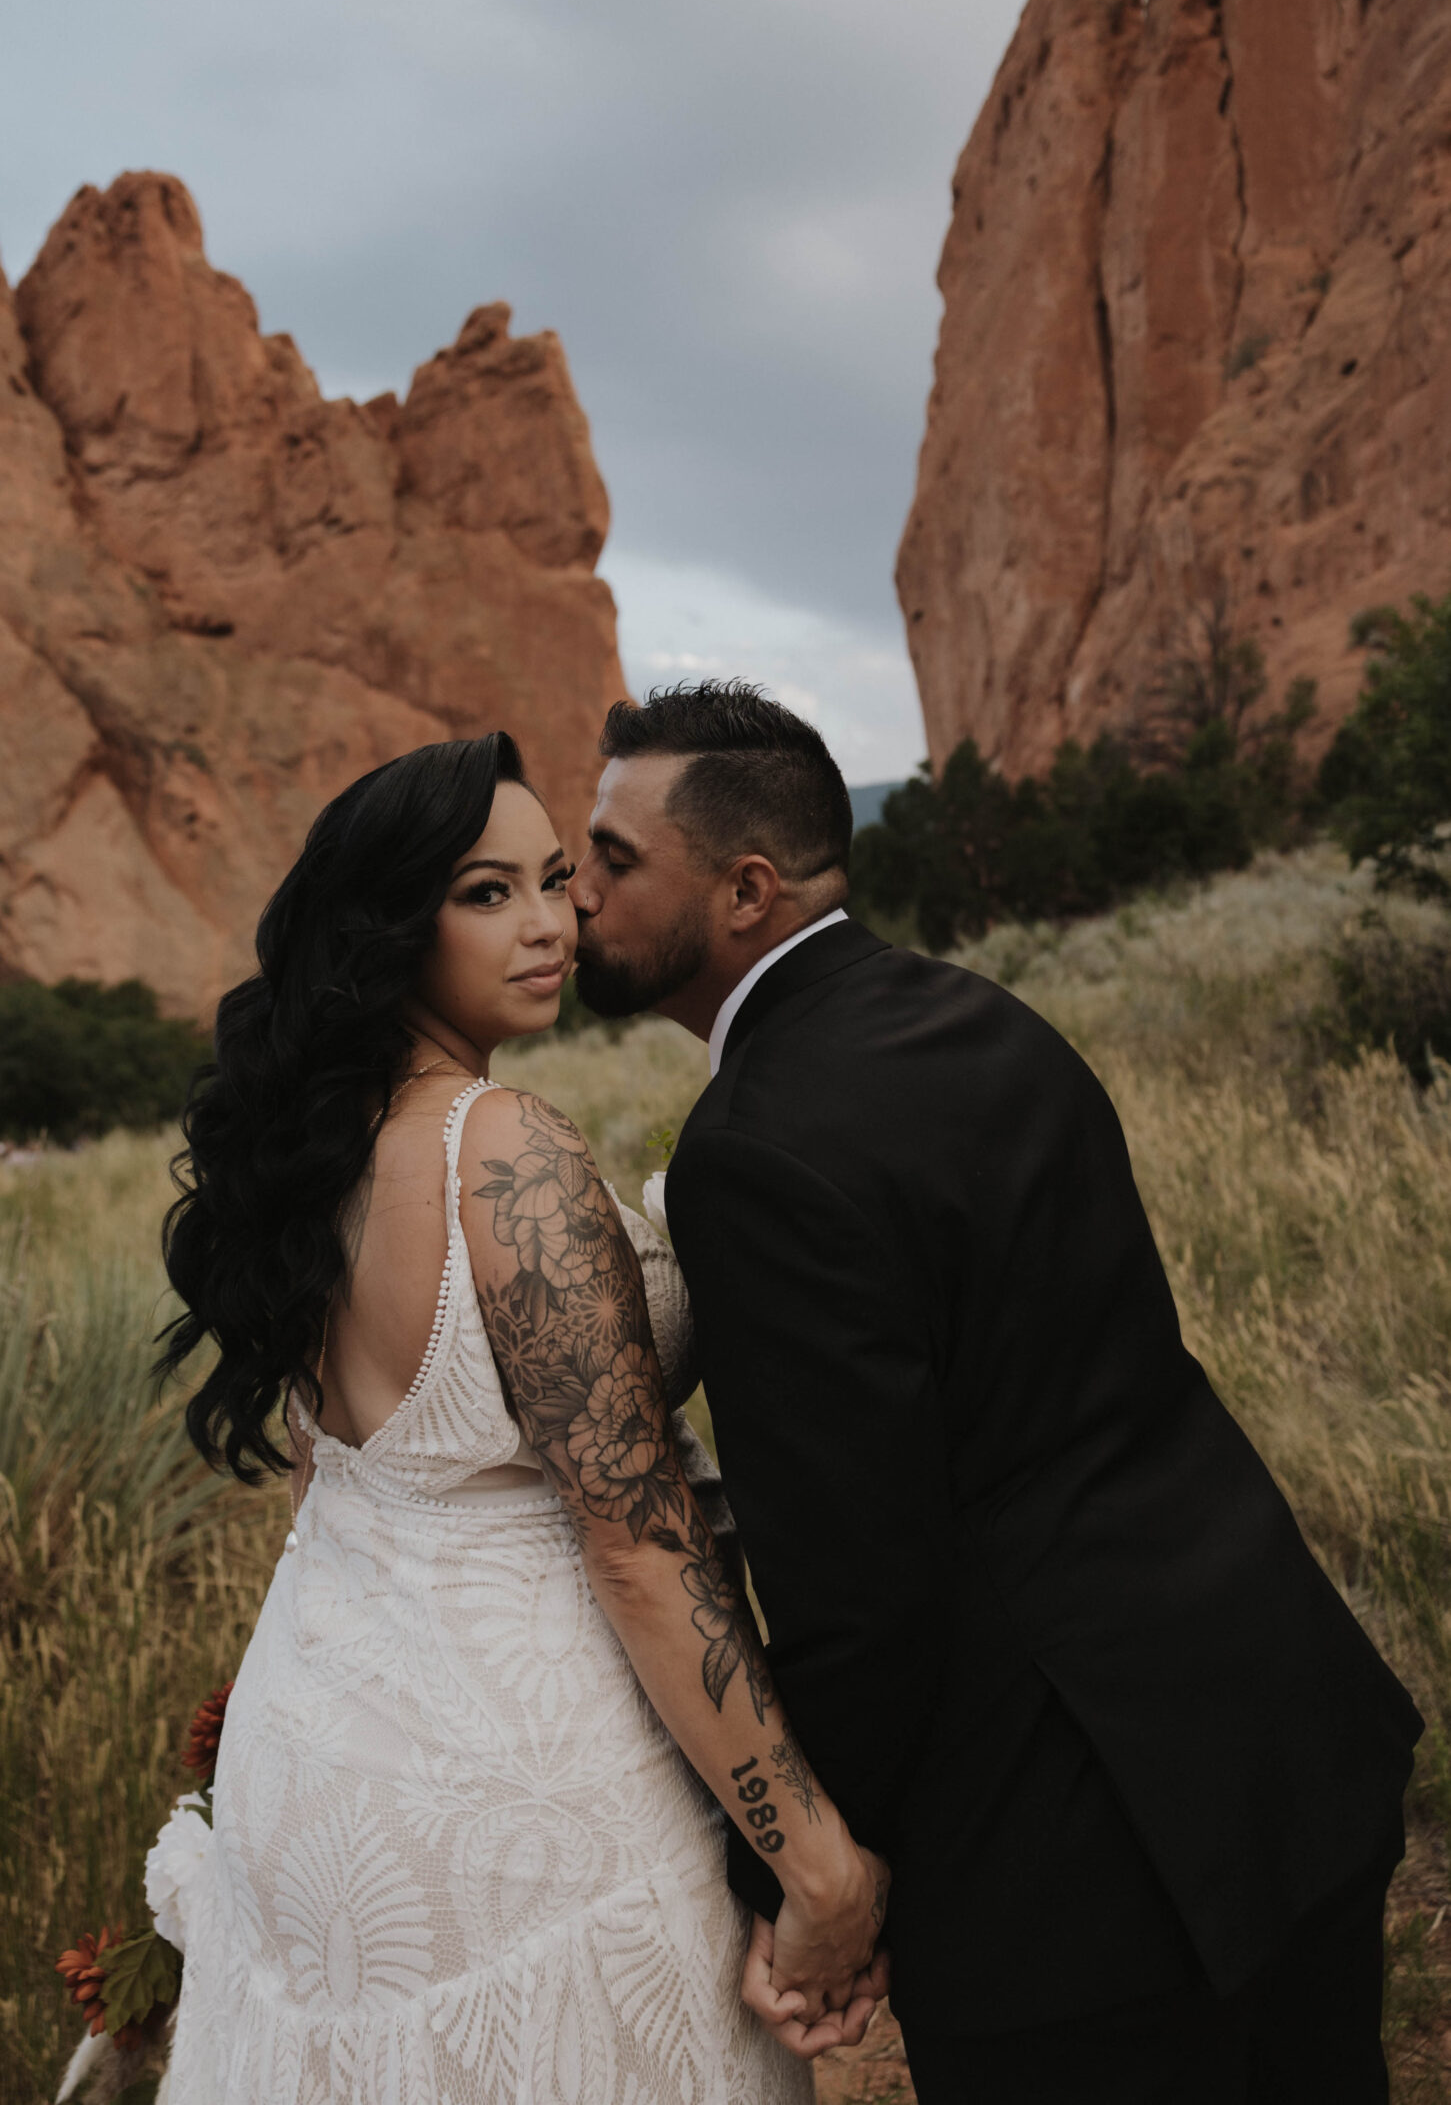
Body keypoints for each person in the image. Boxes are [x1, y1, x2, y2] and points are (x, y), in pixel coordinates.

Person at [568, 679, 1423, 2105]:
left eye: (612, 860)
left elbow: (859, 1585)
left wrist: (819, 1877)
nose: (578, 894)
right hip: (1282, 1726)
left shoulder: (755, 1149)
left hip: (1087, 1861)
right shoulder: (983, 1013)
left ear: (745, 891)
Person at [152, 730, 885, 2105]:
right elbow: (634, 1537)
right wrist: (815, 1862)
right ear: (388, 928)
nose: (550, 923)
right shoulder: (502, 1147)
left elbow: (334, 1474)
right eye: (487, 893)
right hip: (524, 1789)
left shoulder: (309, 1156)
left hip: (321, 1741)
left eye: (557, 881)